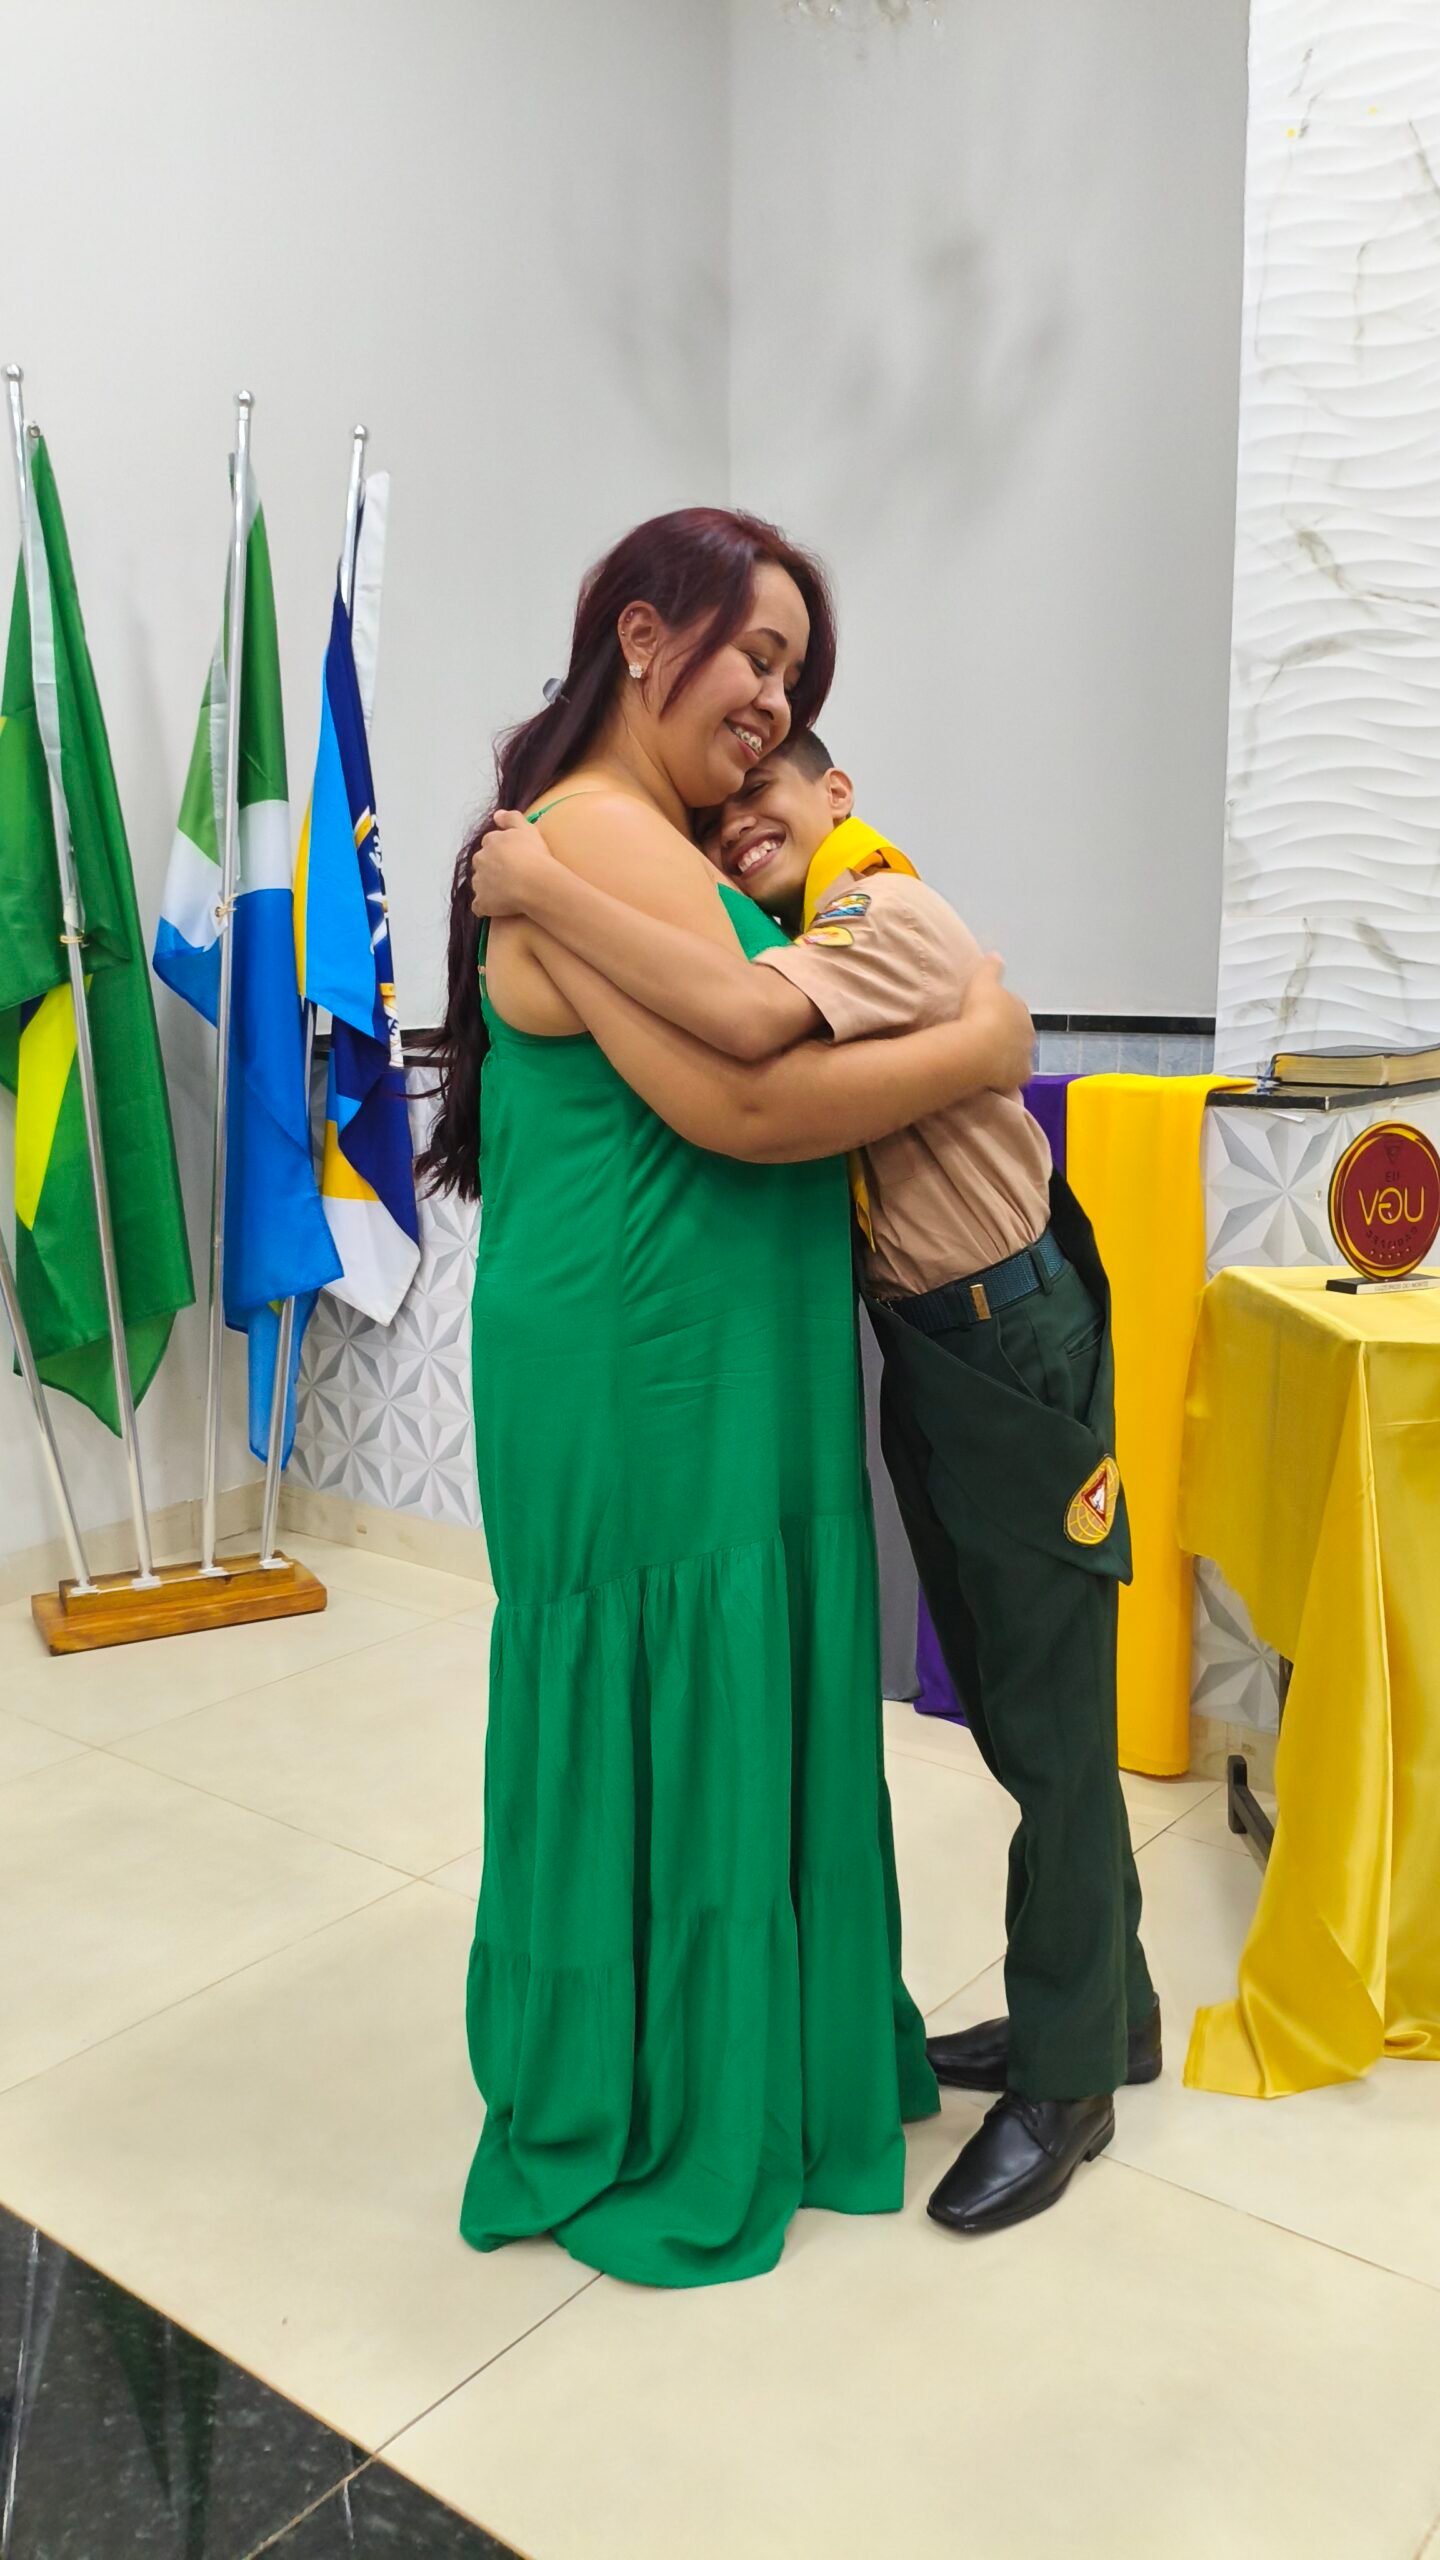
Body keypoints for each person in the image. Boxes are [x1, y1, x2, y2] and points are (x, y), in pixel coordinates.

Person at [421, 509, 1036, 2287]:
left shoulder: (642, 841)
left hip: (712, 1356)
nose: (773, 698)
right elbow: (747, 1107)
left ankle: (748, 2049)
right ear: (641, 636)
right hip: (641, 1363)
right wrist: (989, 1044)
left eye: (793, 674)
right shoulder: (589, 836)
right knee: (673, 1689)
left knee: (738, 1688)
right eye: (754, 654)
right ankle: (664, 2086)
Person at [470, 725, 1161, 2240]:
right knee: (1013, 1692)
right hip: (945, 1342)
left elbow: (741, 1036)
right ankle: (1108, 2010)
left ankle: (1071, 2079)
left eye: (768, 790)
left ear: (837, 793)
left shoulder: (875, 908)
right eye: (721, 818)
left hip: (1005, 1339)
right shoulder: (818, 919)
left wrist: (543, 892)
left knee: (1048, 1714)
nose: (739, 828)